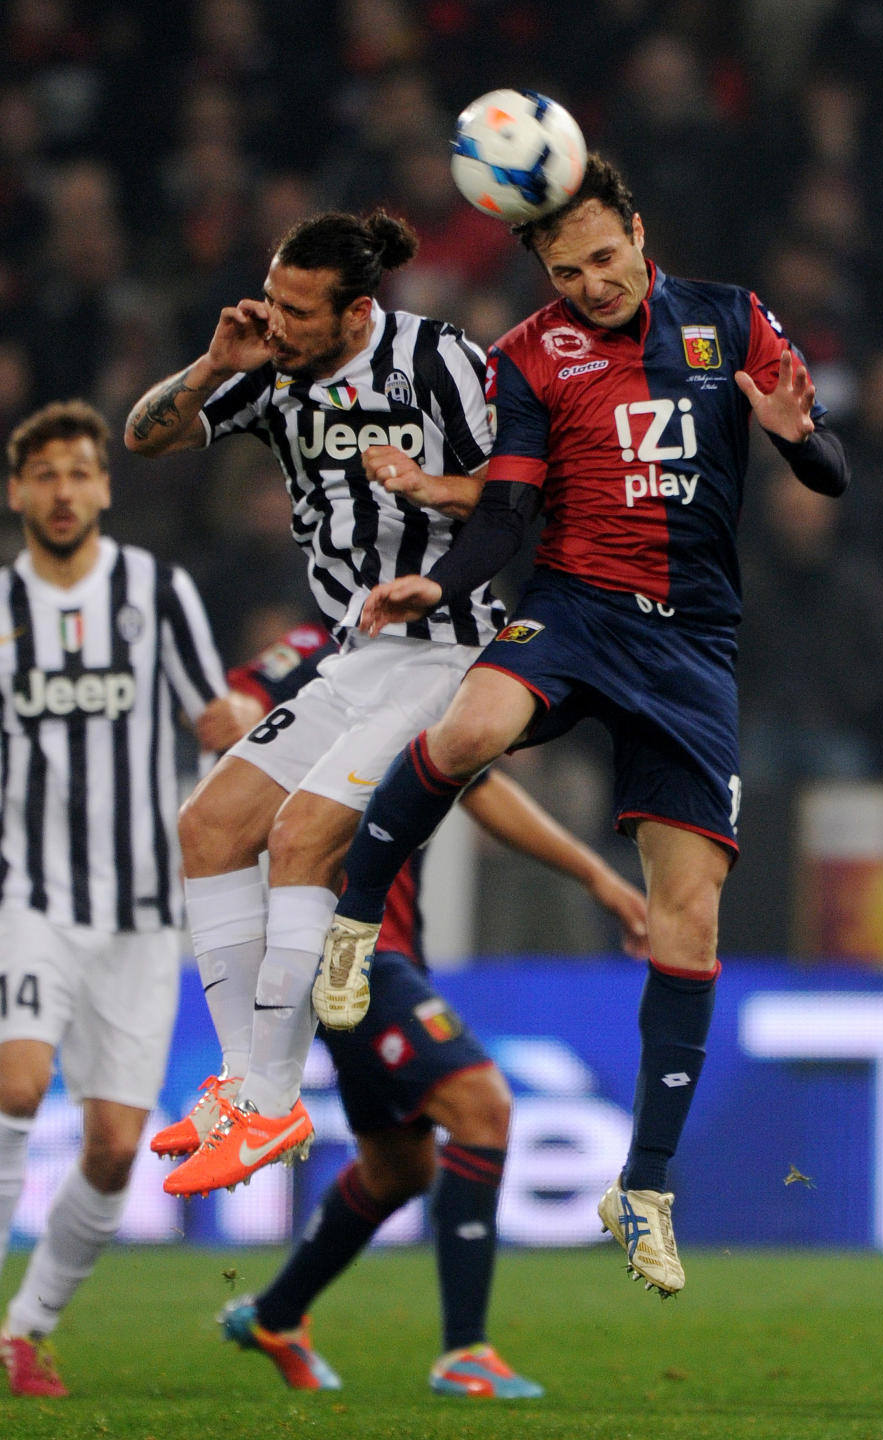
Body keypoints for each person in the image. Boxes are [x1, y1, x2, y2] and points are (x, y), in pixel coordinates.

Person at [315, 155, 851, 1297]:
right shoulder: (529, 355)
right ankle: (354, 926)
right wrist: (438, 585)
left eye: (606, 257)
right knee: (466, 732)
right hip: (575, 610)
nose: (595, 283)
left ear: (639, 233)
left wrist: (798, 436)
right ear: (545, 273)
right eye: (569, 270)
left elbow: (831, 471)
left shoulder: (730, 318)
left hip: (694, 649)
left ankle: (642, 1189)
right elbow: (509, 509)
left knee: (690, 923)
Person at [123, 209, 506, 1196]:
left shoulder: (438, 362)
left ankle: (271, 1098)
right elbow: (143, 437)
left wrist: (431, 514)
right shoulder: (264, 365)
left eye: (301, 311)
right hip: (354, 654)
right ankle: (243, 1080)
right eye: (275, 299)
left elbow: (517, 501)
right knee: (208, 826)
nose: (280, 322)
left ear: (356, 309)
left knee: (301, 837)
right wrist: (213, 367)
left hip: (447, 652)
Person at [162, 624, 649, 1398]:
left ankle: (275, 1315)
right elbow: (244, 698)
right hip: (343, 950)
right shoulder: (330, 658)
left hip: (387, 946)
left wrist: (601, 881)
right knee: (481, 1107)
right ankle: (465, 1351)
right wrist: (231, 708)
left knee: (399, 1168)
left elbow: (484, 791)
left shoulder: (430, 669)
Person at [0, 400, 227, 1398]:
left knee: (114, 1146)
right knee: (14, 1087)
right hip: (28, 895)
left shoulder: (156, 590)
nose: (62, 491)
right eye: (43, 475)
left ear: (104, 485)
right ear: (17, 492)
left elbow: (214, 720)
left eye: (79, 473)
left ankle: (28, 1326)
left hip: (142, 912)